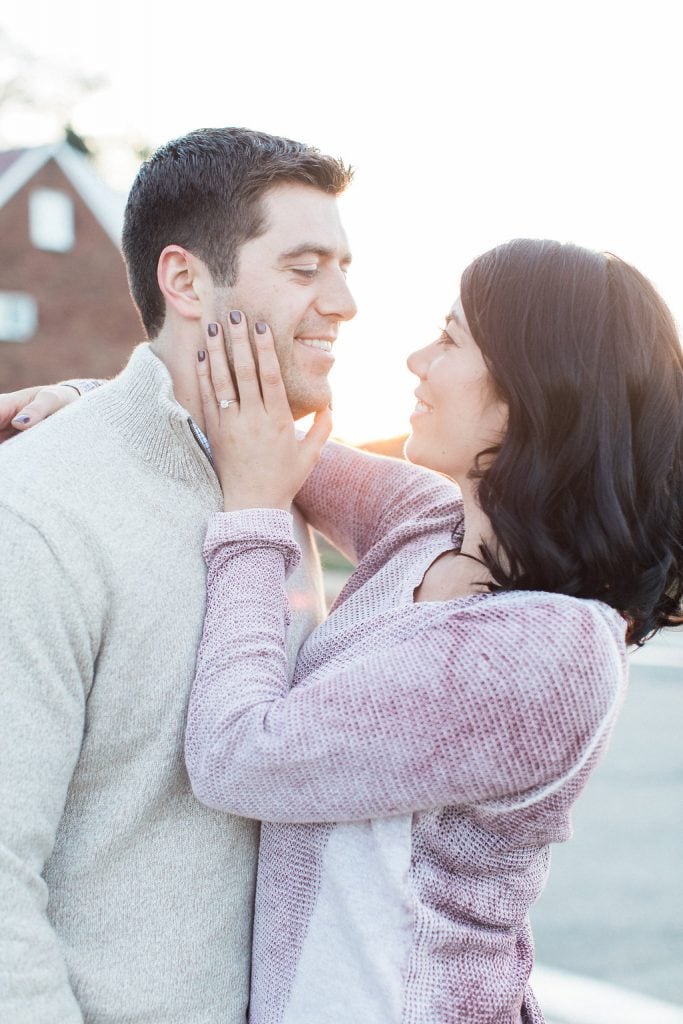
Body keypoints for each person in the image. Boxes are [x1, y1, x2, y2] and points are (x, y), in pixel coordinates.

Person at [181, 239, 681, 1022]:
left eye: (448, 338)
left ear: (533, 391)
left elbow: (237, 755)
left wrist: (250, 521)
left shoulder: (550, 651)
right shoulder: (426, 524)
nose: (416, 360)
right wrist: (101, 407)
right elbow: (257, 445)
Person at [0, 126, 356, 1024]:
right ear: (187, 281)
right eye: (305, 267)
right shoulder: (37, 514)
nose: (344, 301)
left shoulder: (280, 479)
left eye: (343, 266)